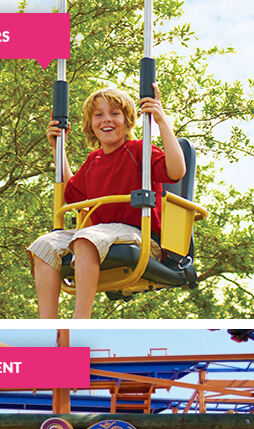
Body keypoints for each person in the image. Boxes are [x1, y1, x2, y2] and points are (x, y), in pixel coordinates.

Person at [27, 84, 186, 319]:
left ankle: (79, 323)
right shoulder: (94, 160)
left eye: (114, 113)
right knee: (43, 246)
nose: (106, 120)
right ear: (91, 124)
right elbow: (72, 194)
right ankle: (48, 326)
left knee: (85, 238)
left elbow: (176, 171)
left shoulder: (138, 150)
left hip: (139, 236)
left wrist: (161, 120)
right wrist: (57, 148)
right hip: (99, 234)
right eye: (98, 114)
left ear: (127, 120)